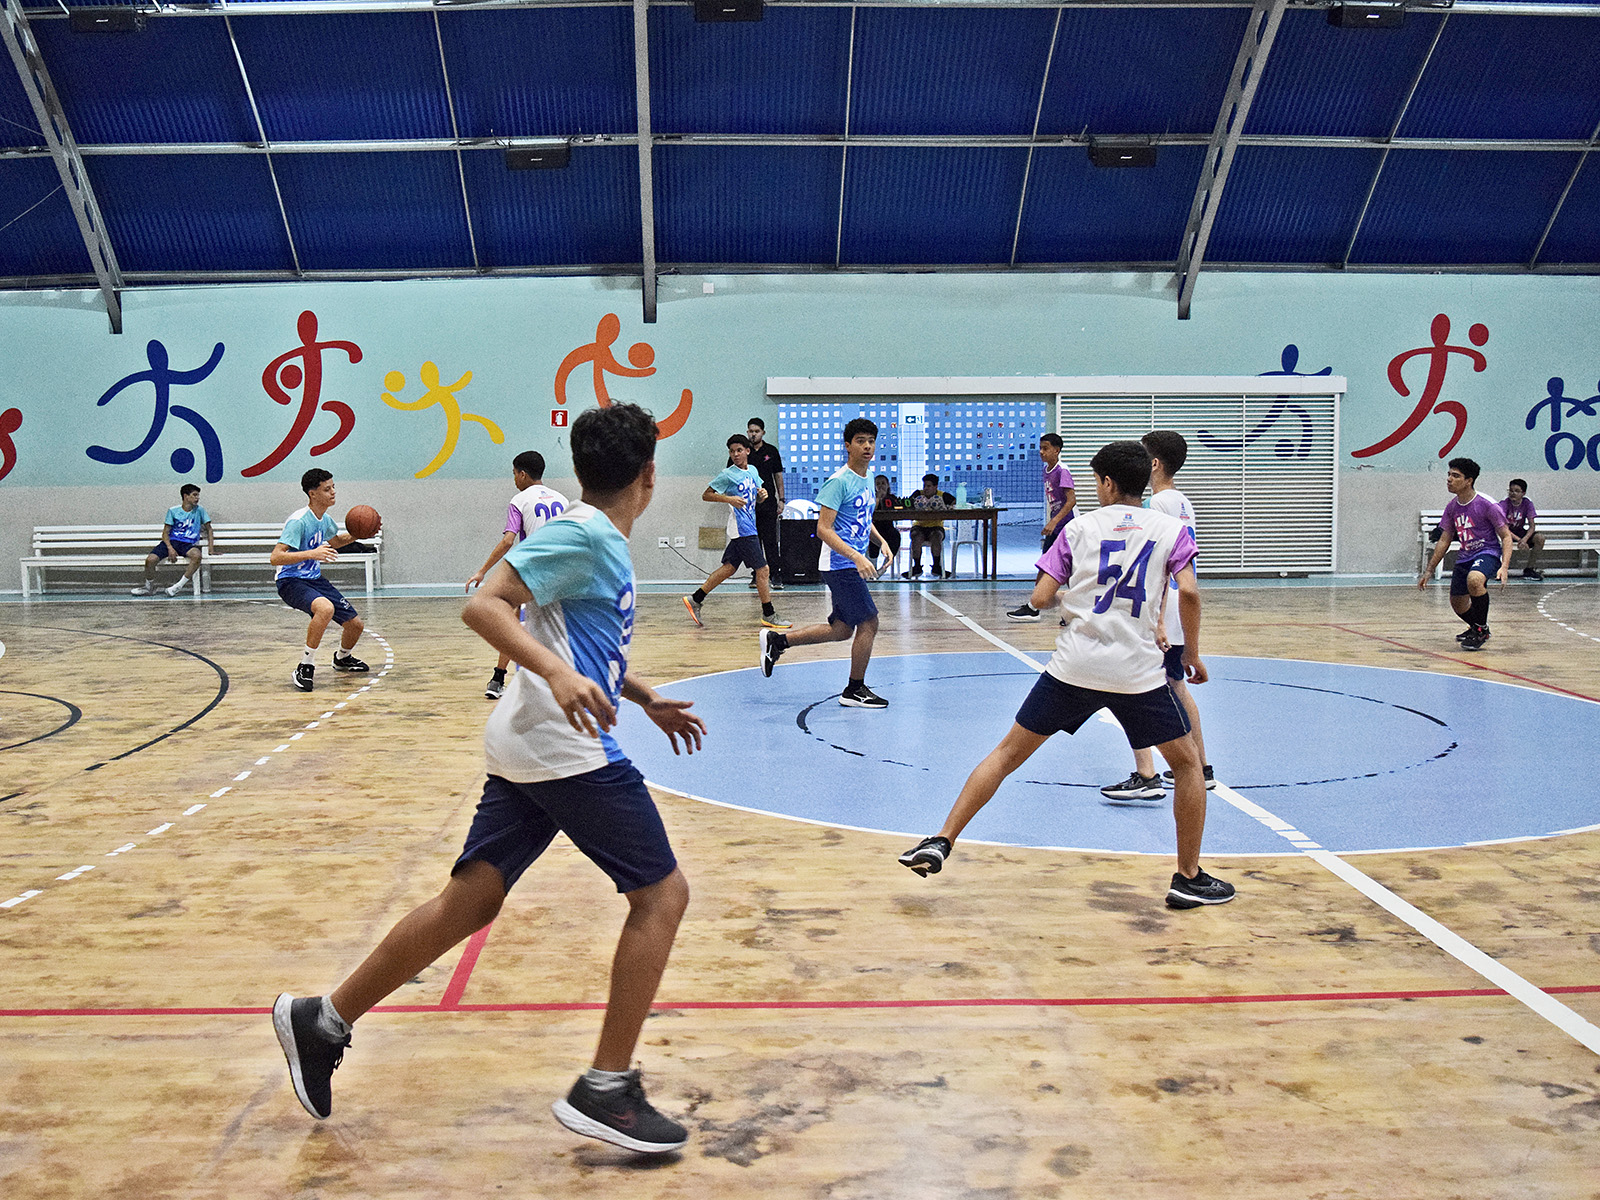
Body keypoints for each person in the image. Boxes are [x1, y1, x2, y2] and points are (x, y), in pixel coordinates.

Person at [272, 403, 706, 1155]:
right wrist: (559, 677)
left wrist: (642, 695)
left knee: (470, 900)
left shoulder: (588, 535)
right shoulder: (586, 534)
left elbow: (571, 639)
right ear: (649, 475)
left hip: (530, 742)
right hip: (564, 749)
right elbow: (485, 606)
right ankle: (607, 1089)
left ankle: (322, 1021)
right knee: (662, 896)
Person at [898, 439, 1234, 912]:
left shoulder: (1077, 529)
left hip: (1074, 667)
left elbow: (1039, 598)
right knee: (1186, 765)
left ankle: (941, 839)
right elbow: (1190, 594)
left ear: (1107, 483)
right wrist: (1192, 652)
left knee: (1006, 754)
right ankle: (1188, 877)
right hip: (1137, 673)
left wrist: (1074, 596)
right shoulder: (1171, 530)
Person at [1101, 431, 1215, 802]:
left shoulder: (1156, 505)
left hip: (1163, 611)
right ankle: (1201, 767)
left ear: (1153, 463)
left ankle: (1147, 774)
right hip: (1179, 610)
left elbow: (1160, 566)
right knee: (1175, 686)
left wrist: (1159, 619)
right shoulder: (1182, 501)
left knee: (1130, 687)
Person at [759, 417, 891, 708]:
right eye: (860, 441)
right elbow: (823, 529)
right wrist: (856, 556)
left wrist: (880, 540)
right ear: (848, 445)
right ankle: (854, 689)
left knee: (842, 629)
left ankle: (778, 642)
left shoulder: (868, 477)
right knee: (869, 622)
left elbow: (861, 517)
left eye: (871, 441)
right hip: (840, 565)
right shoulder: (838, 482)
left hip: (850, 563)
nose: (867, 446)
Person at [466, 451, 568, 699]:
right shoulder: (563, 499)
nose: (514, 479)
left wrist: (482, 571)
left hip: (533, 570)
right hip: (563, 570)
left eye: (514, 474)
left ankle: (498, 679)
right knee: (561, 628)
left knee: (512, 626)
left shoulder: (519, 500)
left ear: (522, 474)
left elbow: (507, 541)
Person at [270, 469, 369, 692]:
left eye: (333, 487)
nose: (333, 492)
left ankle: (342, 659)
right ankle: (305, 666)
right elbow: (275, 557)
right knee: (325, 608)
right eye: (327, 489)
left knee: (355, 625)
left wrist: (359, 533)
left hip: (315, 579)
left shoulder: (324, 519)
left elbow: (335, 542)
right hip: (290, 580)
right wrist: (312, 554)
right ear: (312, 494)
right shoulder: (298, 521)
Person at [683, 434, 790, 631]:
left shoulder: (753, 471)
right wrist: (729, 499)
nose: (735, 454)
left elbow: (757, 498)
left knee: (729, 568)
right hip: (742, 529)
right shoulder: (728, 474)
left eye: (739, 450)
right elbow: (707, 495)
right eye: (732, 451)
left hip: (749, 526)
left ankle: (695, 599)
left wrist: (763, 495)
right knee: (763, 570)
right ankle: (769, 613)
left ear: (747, 451)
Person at [1418, 456, 1512, 652]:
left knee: (1475, 580)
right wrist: (1429, 570)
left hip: (1487, 552)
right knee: (1458, 604)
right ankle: (1476, 626)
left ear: (1469, 480)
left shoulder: (1487, 504)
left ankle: (1480, 630)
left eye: (1455, 476)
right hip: (1465, 556)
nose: (1449, 479)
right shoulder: (1452, 507)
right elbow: (1444, 540)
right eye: (1449, 474)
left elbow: (1506, 536)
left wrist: (1504, 566)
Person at [1008, 433, 1077, 621]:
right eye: (1040, 448)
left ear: (1057, 450)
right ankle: (1036, 607)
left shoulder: (1062, 470)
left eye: (1045, 448)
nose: (1041, 452)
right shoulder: (1047, 470)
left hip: (1068, 525)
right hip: (1058, 525)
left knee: (1059, 566)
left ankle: (1036, 607)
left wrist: (1054, 521)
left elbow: (1071, 500)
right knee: (1049, 564)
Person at [131, 483, 215, 597]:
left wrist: (211, 549)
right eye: (194, 495)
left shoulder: (200, 510)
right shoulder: (173, 511)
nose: (197, 498)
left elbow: (209, 529)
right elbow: (165, 533)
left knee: (197, 556)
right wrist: (170, 548)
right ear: (186, 496)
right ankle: (149, 587)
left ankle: (177, 587)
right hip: (171, 542)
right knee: (150, 560)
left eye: (198, 495)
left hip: (187, 543)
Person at [746, 417, 785, 590]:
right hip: (748, 506)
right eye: (751, 431)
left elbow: (778, 476)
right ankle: (756, 575)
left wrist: (781, 500)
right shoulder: (743, 451)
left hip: (768, 504)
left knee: (770, 540)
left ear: (763, 432)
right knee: (754, 542)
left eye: (756, 431)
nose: (753, 434)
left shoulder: (771, 451)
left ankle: (775, 575)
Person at [1499, 478, 1545, 580]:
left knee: (1540, 538)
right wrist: (1520, 540)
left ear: (1523, 493)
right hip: (1506, 532)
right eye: (1511, 491)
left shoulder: (1527, 503)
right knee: (1503, 537)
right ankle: (1500, 569)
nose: (1513, 493)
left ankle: (1529, 569)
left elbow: (1532, 526)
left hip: (1520, 531)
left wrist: (1524, 539)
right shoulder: (1504, 504)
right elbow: (1503, 527)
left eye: (1516, 491)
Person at [907, 473, 951, 578]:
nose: (925, 488)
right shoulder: (918, 494)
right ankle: (917, 567)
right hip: (919, 526)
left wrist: (947, 507)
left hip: (936, 526)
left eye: (929, 486)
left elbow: (954, 502)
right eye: (924, 486)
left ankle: (936, 566)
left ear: (935, 487)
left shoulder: (943, 495)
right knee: (916, 536)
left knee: (936, 536)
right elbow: (908, 503)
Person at [872, 474, 904, 571]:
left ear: (888, 485)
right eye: (878, 484)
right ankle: (872, 567)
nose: (881, 486)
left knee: (895, 536)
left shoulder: (892, 498)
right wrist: (878, 498)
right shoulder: (871, 498)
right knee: (872, 538)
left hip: (888, 528)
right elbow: (871, 511)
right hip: (875, 527)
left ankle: (884, 567)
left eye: (883, 483)